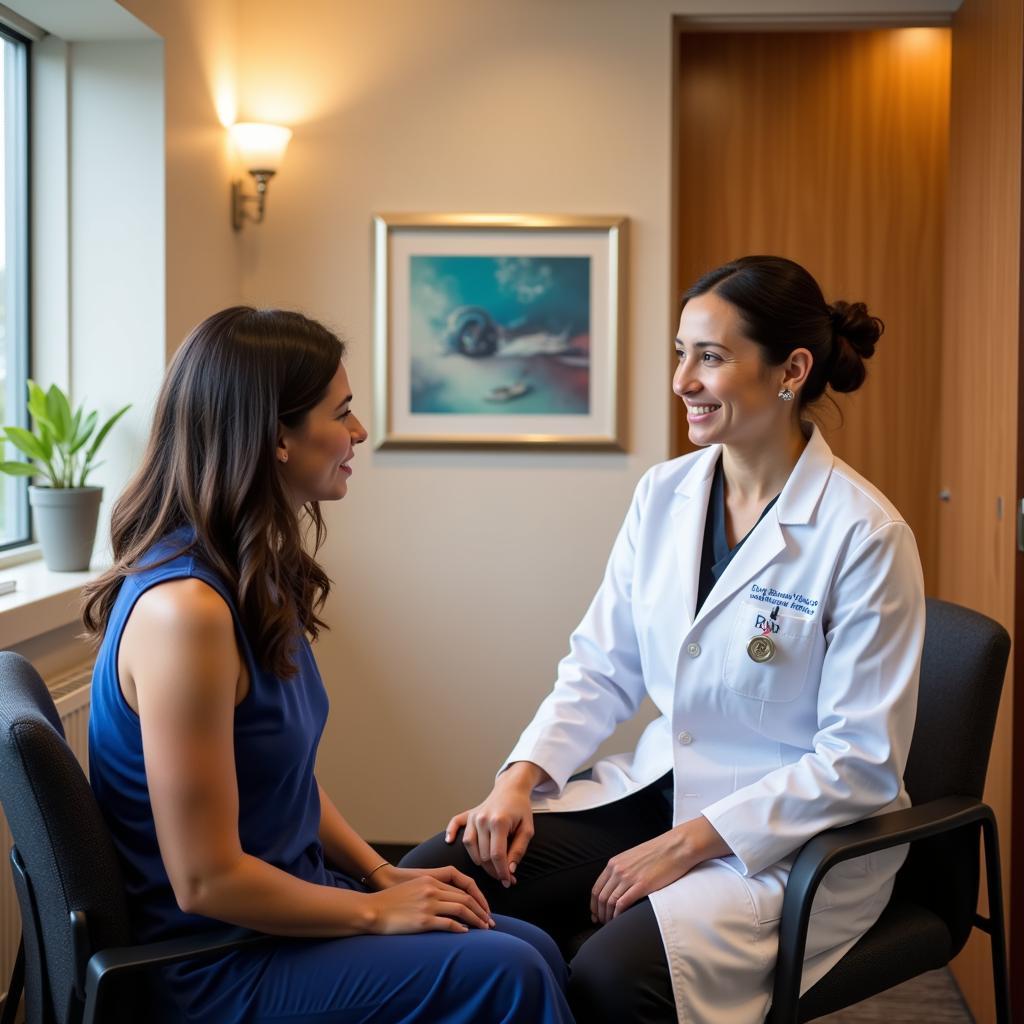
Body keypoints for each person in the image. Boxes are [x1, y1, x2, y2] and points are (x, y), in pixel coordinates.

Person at [402, 256, 925, 1024]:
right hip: (660, 788)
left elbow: (859, 763)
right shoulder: (666, 493)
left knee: (612, 975)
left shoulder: (864, 534)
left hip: (780, 842)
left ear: (792, 370)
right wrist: (519, 778)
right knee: (436, 882)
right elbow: (601, 665)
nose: (682, 379)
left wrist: (687, 846)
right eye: (680, 352)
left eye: (709, 357)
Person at [83, 307, 575, 1024]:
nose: (359, 434)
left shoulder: (247, 577)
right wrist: (375, 912)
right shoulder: (185, 613)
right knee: (510, 971)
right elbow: (205, 882)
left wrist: (380, 874)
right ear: (276, 437)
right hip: (213, 964)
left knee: (530, 944)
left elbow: (281, 783)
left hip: (271, 922)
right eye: (340, 413)